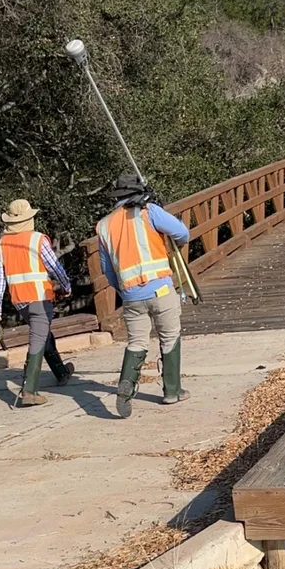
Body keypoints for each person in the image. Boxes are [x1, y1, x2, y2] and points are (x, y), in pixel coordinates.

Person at [96, 173, 191, 418]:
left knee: (137, 342)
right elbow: (182, 233)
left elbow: (107, 269)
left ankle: (126, 386)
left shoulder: (104, 225)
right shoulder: (150, 212)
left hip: (130, 294)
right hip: (159, 287)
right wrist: (172, 243)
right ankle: (172, 390)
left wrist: (124, 290)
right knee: (169, 336)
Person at [0, 198, 74, 408]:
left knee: (42, 333)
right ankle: (29, 390)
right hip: (40, 297)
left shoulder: (1, 245)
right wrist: (66, 286)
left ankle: (61, 372)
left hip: (20, 301)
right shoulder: (37, 240)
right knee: (38, 337)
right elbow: (54, 267)